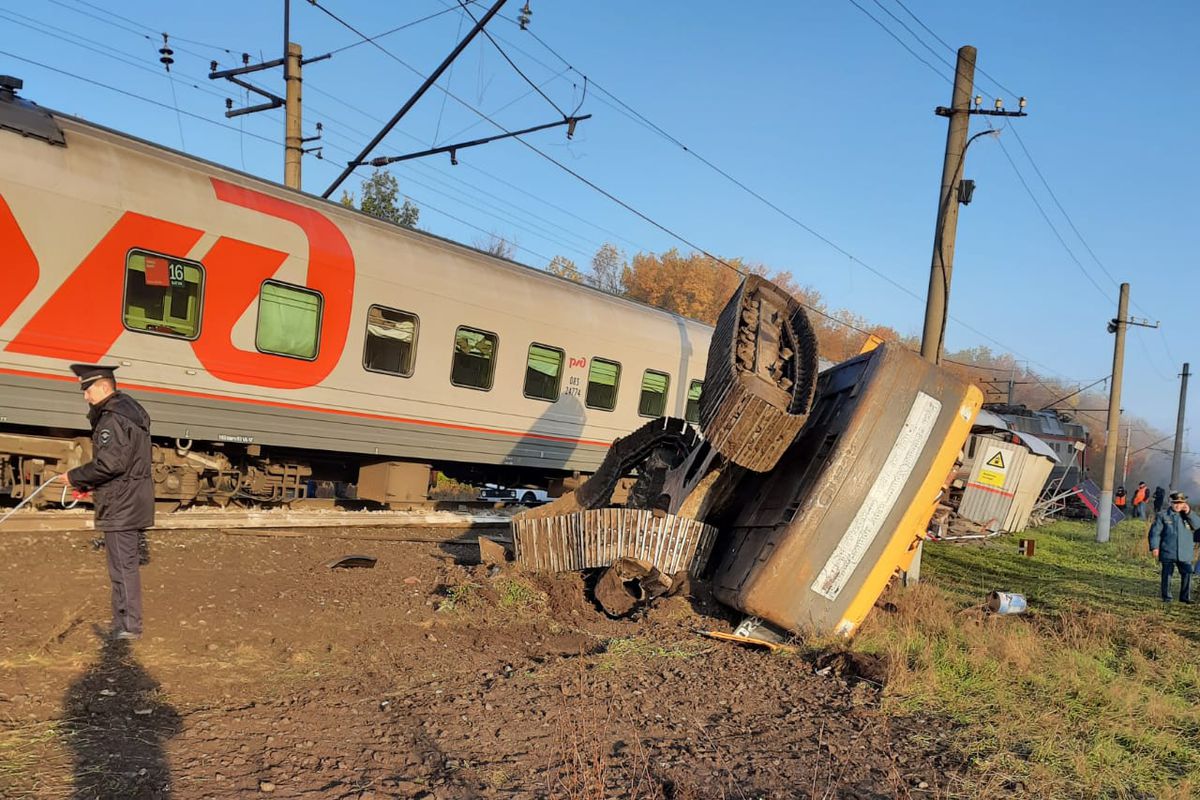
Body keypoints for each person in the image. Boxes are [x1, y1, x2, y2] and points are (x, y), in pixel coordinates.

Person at [58, 364, 154, 640]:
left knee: (122, 567)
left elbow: (110, 464)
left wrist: (75, 477)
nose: (85, 396)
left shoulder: (112, 419)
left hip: (121, 503)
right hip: (128, 497)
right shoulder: (128, 411)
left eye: (87, 390)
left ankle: (128, 626)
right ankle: (125, 623)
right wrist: (88, 483)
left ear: (103, 386)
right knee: (124, 565)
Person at [1148, 492, 1200, 604]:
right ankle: (1167, 597)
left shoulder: (1189, 515)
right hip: (1168, 550)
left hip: (1185, 551)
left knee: (1187, 573)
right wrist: (1154, 547)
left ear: (1184, 503)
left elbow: (1198, 526)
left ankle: (1185, 597)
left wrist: (1189, 513)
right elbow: (1155, 533)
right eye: (1175, 503)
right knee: (1167, 575)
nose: (1177, 505)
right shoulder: (1163, 515)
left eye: (1180, 503)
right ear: (1171, 503)